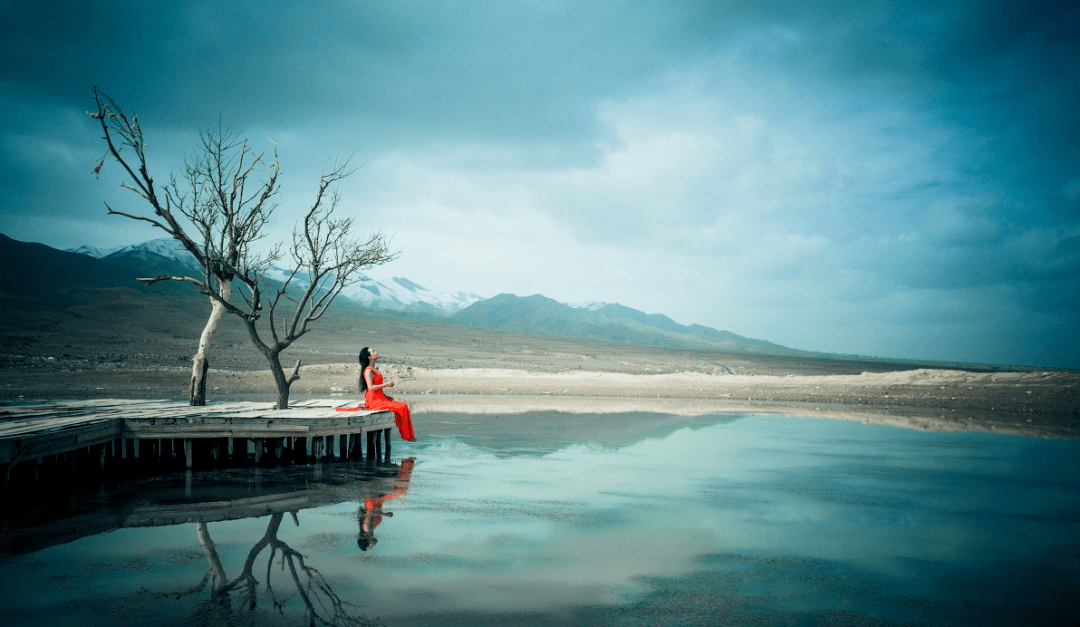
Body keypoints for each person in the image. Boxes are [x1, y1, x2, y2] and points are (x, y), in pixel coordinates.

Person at [357, 347, 416, 442]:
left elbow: (377, 389)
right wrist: (386, 385)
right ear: (369, 357)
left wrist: (385, 396)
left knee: (404, 406)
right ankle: (406, 436)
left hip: (380, 397)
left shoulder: (374, 369)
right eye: (373, 352)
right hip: (373, 400)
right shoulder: (368, 371)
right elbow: (371, 387)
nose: (376, 352)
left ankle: (409, 435)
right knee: (401, 406)